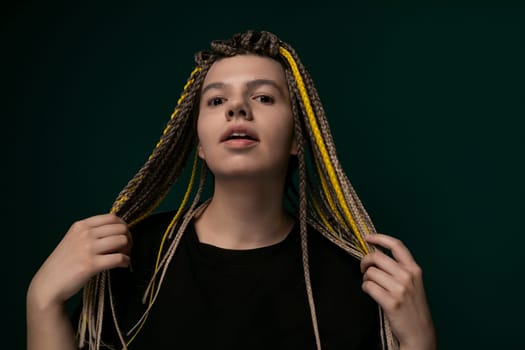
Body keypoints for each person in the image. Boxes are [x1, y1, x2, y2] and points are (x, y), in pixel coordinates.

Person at [27, 30, 436, 350]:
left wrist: (418, 342)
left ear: (298, 137)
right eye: (216, 99)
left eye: (262, 96)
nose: (236, 108)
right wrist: (41, 301)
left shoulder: (354, 279)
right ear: (200, 144)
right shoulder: (129, 258)